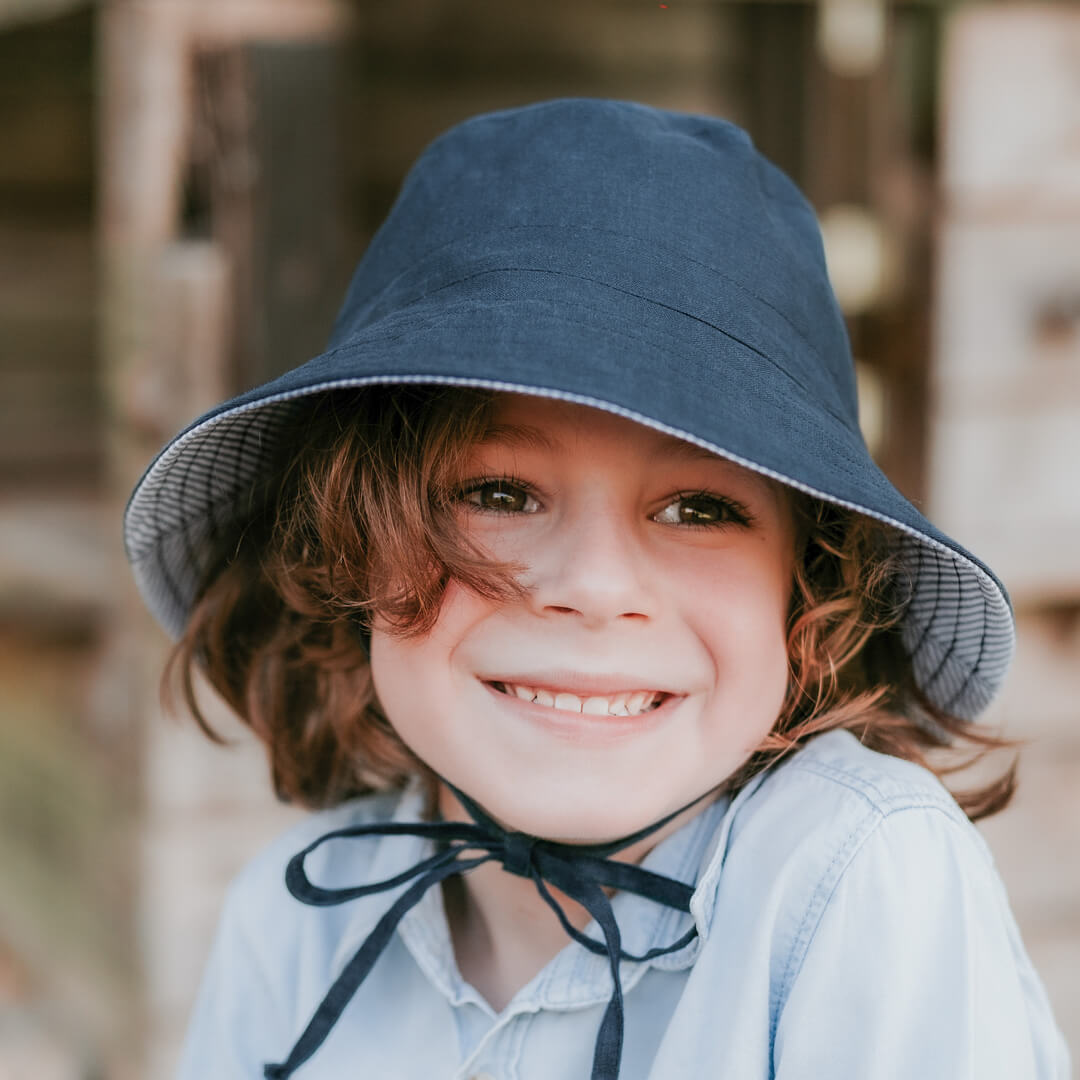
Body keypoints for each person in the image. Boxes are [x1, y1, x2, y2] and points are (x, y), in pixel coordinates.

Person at [124, 99, 1071, 1079]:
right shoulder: (293, 924)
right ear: (346, 550)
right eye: (498, 494)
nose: (594, 586)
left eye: (699, 509)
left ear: (811, 591)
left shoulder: (854, 877)